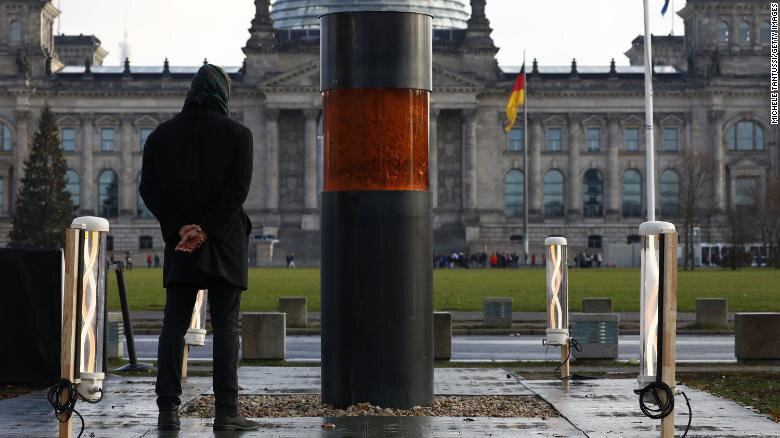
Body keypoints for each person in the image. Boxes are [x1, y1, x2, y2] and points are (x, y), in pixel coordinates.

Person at [140, 64, 258, 432]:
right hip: (224, 241)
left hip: (181, 244)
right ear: (223, 94)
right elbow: (237, 192)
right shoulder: (238, 135)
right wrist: (206, 229)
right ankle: (226, 412)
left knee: (173, 325)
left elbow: (148, 190)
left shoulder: (161, 136)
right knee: (226, 327)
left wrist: (181, 228)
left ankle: (167, 411)